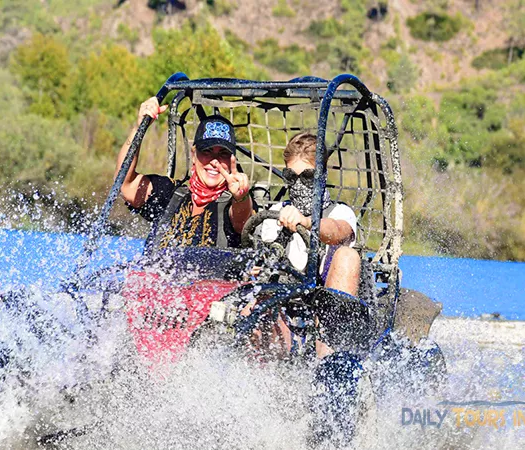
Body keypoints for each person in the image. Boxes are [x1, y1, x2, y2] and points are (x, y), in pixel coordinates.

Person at [259, 132, 370, 446]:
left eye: (307, 177)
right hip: (288, 312)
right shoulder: (278, 213)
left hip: (332, 318)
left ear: (321, 177)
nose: (299, 185)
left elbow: (336, 232)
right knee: (258, 280)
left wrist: (306, 222)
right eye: (291, 177)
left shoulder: (340, 213)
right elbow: (256, 245)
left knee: (347, 256)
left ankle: (330, 372)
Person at [117, 97, 254, 249]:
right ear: (194, 155)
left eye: (223, 154)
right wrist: (138, 128)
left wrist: (241, 197)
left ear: (231, 160)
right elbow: (125, 185)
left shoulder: (234, 202)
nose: (214, 161)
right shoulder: (171, 193)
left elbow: (242, 222)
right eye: (207, 152)